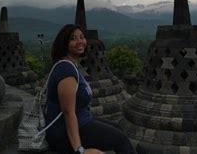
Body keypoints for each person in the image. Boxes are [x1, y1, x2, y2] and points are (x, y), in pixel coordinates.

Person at [44, 24, 134, 154]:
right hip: (62, 134)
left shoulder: (72, 65)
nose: (80, 41)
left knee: (118, 128)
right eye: (73, 38)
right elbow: (68, 113)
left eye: (82, 37)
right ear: (64, 44)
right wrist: (79, 150)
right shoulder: (66, 70)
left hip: (82, 121)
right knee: (121, 140)